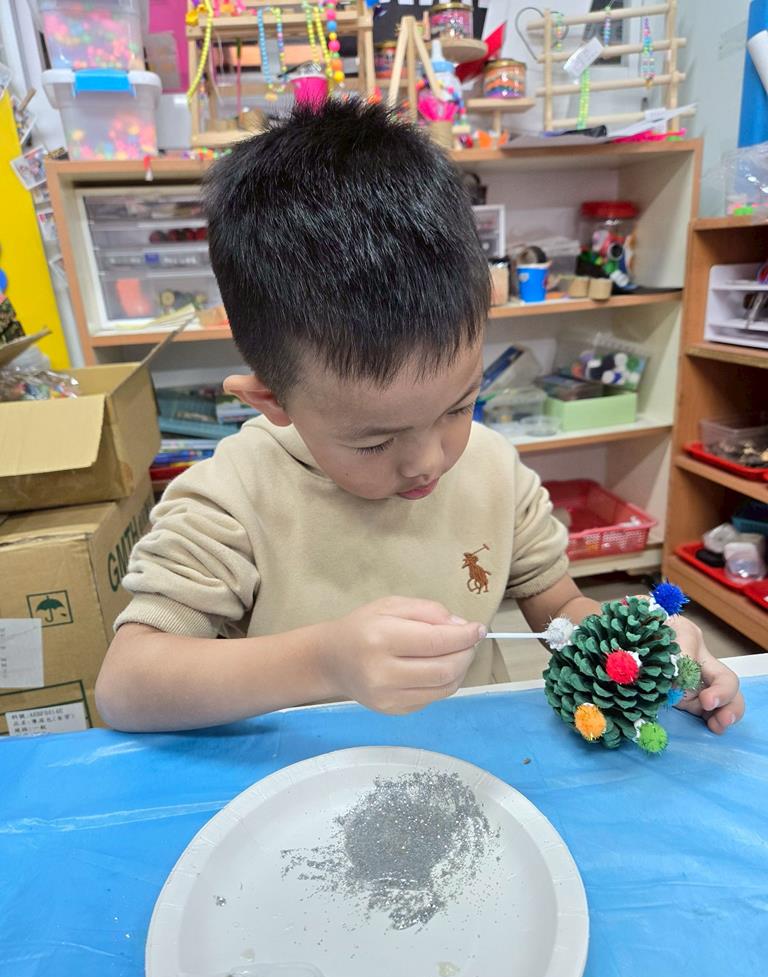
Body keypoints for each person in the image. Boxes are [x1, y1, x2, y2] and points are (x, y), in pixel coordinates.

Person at [95, 100, 743, 735]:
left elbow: (559, 607)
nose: (429, 461)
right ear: (272, 401)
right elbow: (126, 688)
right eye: (374, 442)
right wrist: (324, 662)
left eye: (459, 406)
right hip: (301, 780)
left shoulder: (492, 469)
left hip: (473, 765)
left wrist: (637, 651)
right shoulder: (231, 498)